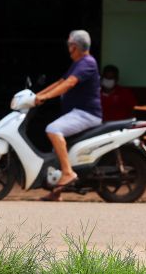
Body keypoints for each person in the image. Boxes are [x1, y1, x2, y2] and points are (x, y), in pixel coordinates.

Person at [35, 30, 103, 202]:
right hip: (77, 113)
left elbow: (69, 83)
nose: (69, 49)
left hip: (86, 113)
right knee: (55, 150)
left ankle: (68, 172)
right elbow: (60, 82)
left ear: (75, 47)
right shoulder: (78, 63)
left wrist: (46, 97)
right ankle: (56, 192)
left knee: (53, 129)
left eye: (70, 45)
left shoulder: (87, 62)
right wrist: (35, 96)